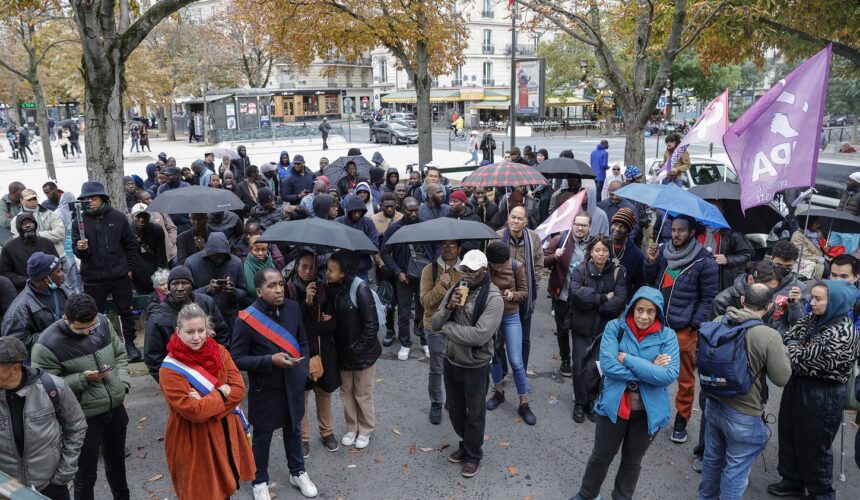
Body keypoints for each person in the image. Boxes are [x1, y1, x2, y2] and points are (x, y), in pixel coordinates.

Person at [571, 287, 680, 500]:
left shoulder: (668, 336)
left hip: (647, 414)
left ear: (657, 312)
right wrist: (651, 368)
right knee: (601, 457)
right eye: (640, 310)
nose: (644, 316)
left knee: (632, 462)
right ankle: (587, 494)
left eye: (650, 311)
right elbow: (610, 366)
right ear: (632, 308)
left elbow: (668, 375)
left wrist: (628, 359)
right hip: (613, 407)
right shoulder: (615, 327)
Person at [31, 293, 131, 500]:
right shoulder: (46, 345)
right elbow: (44, 388)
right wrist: (81, 379)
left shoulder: (103, 322)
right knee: (85, 476)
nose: (87, 333)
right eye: (80, 329)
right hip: (82, 418)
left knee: (118, 465)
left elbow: (120, 354)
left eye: (91, 328)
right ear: (66, 319)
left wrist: (123, 383)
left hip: (115, 408)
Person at [698, 284, 792, 500]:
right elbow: (781, 378)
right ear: (768, 307)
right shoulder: (768, 336)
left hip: (713, 402)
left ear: (742, 300)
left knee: (712, 460)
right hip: (745, 413)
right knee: (735, 472)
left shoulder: (717, 322)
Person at [231, 268, 318, 499]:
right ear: (259, 291)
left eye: (280, 283)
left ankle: (298, 471)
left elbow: (303, 341)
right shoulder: (246, 319)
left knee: (293, 428)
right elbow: (237, 359)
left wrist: (304, 368)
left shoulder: (293, 307)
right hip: (265, 388)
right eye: (271, 285)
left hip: (293, 382)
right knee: (262, 436)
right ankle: (259, 481)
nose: (279, 289)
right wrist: (269, 360)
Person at [769, 280, 860, 499]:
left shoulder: (845, 333)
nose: (812, 302)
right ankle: (792, 480)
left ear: (835, 302)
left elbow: (801, 358)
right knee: (789, 434)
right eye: (813, 297)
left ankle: (821, 493)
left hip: (823, 394)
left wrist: (796, 347)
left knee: (815, 446)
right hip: (797, 384)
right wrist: (796, 346)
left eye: (818, 299)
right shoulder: (814, 318)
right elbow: (789, 336)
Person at [159, 303, 255, 500]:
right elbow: (193, 412)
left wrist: (206, 402)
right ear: (178, 331)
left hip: (225, 432)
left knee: (226, 488)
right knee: (202, 492)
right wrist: (221, 393)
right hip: (193, 440)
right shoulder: (169, 369)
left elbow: (238, 390)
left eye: (201, 330)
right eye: (190, 332)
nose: (197, 337)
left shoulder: (219, 350)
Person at [644, 215, 718, 443]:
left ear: (692, 232)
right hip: (658, 324)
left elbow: (708, 299)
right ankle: (652, 414)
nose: (675, 234)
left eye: (681, 230)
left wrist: (693, 324)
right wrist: (651, 262)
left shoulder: (704, 261)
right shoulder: (664, 252)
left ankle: (681, 422)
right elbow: (650, 282)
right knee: (652, 371)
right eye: (673, 229)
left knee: (684, 380)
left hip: (684, 330)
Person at [431, 249, 503, 478]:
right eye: (465, 269)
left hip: (476, 365)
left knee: (475, 413)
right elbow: (434, 322)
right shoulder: (456, 288)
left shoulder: (493, 297)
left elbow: (479, 335)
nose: (467, 274)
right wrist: (449, 308)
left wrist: (448, 328)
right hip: (452, 360)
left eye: (472, 271)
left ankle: (473, 454)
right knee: (454, 410)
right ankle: (467, 443)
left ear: (484, 271)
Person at [0, 336, 87, 500]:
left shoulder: (53, 388)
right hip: (7, 491)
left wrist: (63, 475)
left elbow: (77, 427)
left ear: (15, 368)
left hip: (50, 486)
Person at [72, 181, 142, 361]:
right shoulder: (78, 222)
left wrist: (130, 269)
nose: (90, 202)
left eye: (93, 198)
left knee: (125, 311)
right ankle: (100, 347)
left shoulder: (118, 217)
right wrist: (81, 248)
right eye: (86, 199)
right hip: (93, 278)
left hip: (120, 276)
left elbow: (130, 245)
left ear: (102, 198)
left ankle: (130, 344)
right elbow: (78, 252)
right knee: (94, 314)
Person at [285, 251, 341, 456]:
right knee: (302, 394)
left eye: (312, 267)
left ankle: (327, 433)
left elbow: (333, 324)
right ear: (296, 267)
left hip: (323, 350)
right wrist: (307, 303)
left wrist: (312, 326)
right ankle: (304, 438)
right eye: (304, 266)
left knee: (323, 393)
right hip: (299, 351)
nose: (307, 271)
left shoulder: (324, 289)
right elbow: (292, 325)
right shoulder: (288, 289)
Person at [568, 235, 628, 422]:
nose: (601, 254)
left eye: (604, 250)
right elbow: (576, 294)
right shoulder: (580, 270)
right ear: (591, 252)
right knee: (579, 365)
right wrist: (602, 298)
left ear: (609, 252)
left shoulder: (618, 272)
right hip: (581, 326)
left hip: (604, 328)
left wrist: (598, 306)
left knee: (599, 366)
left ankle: (591, 401)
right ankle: (579, 402)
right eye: (597, 250)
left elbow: (619, 300)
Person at [327, 251, 382, 451]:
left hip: (363, 354)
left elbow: (371, 326)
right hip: (343, 352)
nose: (327, 273)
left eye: (331, 270)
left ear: (343, 273)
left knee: (363, 393)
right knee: (346, 392)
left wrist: (356, 349)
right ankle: (352, 427)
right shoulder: (333, 289)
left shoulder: (361, 289)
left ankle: (366, 429)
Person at [144, 265, 231, 381]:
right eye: (175, 284)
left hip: (212, 369)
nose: (180, 288)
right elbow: (153, 356)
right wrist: (169, 383)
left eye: (184, 283)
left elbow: (222, 335)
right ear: (169, 287)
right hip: (179, 375)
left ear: (192, 285)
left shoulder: (207, 303)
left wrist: (221, 366)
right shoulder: (158, 316)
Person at [483, 241, 536, 424]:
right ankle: (498, 392)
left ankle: (524, 402)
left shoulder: (516, 266)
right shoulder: (484, 268)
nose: (498, 269)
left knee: (516, 360)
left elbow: (525, 292)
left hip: (511, 315)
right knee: (494, 356)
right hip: (491, 317)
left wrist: (513, 295)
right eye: (495, 266)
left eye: (501, 265)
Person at [419, 239, 463, 425]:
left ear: (459, 248)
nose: (447, 248)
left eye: (452, 245)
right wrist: (441, 286)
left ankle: (453, 401)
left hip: (457, 326)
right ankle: (436, 402)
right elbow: (425, 301)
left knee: (456, 367)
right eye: (444, 245)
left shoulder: (466, 270)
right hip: (434, 326)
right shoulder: (430, 270)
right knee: (437, 367)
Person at [544, 212, 592, 377]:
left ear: (589, 227)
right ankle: (565, 360)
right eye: (577, 224)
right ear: (572, 225)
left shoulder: (594, 244)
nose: (580, 228)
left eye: (584, 225)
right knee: (562, 330)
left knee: (581, 332)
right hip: (562, 295)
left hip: (583, 298)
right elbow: (542, 260)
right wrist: (554, 256)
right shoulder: (560, 240)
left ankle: (582, 363)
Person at [381, 198, 429, 357]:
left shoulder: (426, 225)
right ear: (402, 209)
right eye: (410, 210)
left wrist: (432, 269)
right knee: (403, 313)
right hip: (404, 277)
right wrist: (397, 272)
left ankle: (425, 341)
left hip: (424, 277)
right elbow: (385, 252)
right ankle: (405, 343)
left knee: (424, 311)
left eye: (416, 210)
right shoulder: (394, 228)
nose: (414, 213)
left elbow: (436, 248)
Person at [498, 206, 543, 370]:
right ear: (508, 218)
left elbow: (538, 265)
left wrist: (533, 288)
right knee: (499, 338)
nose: (515, 221)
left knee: (524, 338)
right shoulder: (497, 237)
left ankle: (521, 371)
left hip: (525, 295)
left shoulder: (534, 238)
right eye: (513, 217)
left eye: (519, 218)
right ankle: (501, 372)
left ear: (525, 222)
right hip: (503, 295)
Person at [1, 252, 68, 353]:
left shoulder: (60, 290)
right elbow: (17, 344)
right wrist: (58, 332)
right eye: (58, 271)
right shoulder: (19, 310)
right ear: (46, 279)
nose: (63, 273)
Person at [185, 232, 247, 328]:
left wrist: (233, 292)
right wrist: (207, 289)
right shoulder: (191, 263)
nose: (219, 260)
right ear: (208, 254)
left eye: (223, 256)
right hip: (202, 317)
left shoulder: (236, 263)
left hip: (228, 318)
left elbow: (243, 291)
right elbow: (186, 295)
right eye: (216, 257)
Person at [698, 200, 752, 291]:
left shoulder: (733, 235)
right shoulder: (696, 232)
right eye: (709, 208)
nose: (712, 212)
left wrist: (728, 259)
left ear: (722, 211)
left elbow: (747, 255)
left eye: (715, 209)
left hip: (721, 284)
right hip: (698, 281)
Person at [0, 213, 59, 292]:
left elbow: (57, 264)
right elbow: (5, 272)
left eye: (30, 222)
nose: (28, 225)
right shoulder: (9, 248)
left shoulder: (46, 243)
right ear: (18, 227)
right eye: (24, 223)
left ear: (35, 224)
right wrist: (27, 281)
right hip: (24, 290)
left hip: (50, 287)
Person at [334, 195, 381, 281]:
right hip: (343, 268)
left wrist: (353, 247)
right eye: (354, 211)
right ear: (349, 211)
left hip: (362, 268)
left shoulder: (368, 223)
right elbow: (334, 244)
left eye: (359, 211)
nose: (356, 214)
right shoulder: (339, 222)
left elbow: (374, 246)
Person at [10, 188, 66, 258]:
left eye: (34, 198)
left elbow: (60, 233)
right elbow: (19, 241)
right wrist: (49, 234)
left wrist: (37, 235)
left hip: (57, 255)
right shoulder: (16, 220)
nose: (33, 201)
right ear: (21, 201)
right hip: (34, 258)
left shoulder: (50, 214)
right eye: (29, 199)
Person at [130, 204, 167, 294]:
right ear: (132, 217)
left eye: (145, 216)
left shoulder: (156, 230)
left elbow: (161, 255)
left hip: (153, 270)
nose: (142, 220)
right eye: (138, 216)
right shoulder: (127, 230)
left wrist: (162, 276)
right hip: (136, 274)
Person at [609, 208, 645, 297]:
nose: (617, 229)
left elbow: (639, 284)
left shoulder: (637, 255)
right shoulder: (601, 246)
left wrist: (628, 303)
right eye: (615, 224)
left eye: (622, 226)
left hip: (622, 303)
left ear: (628, 230)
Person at [243, 235, 276, 299]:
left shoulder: (273, 263)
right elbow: (252, 290)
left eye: (263, 250)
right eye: (257, 250)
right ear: (250, 250)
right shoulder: (246, 266)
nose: (260, 253)